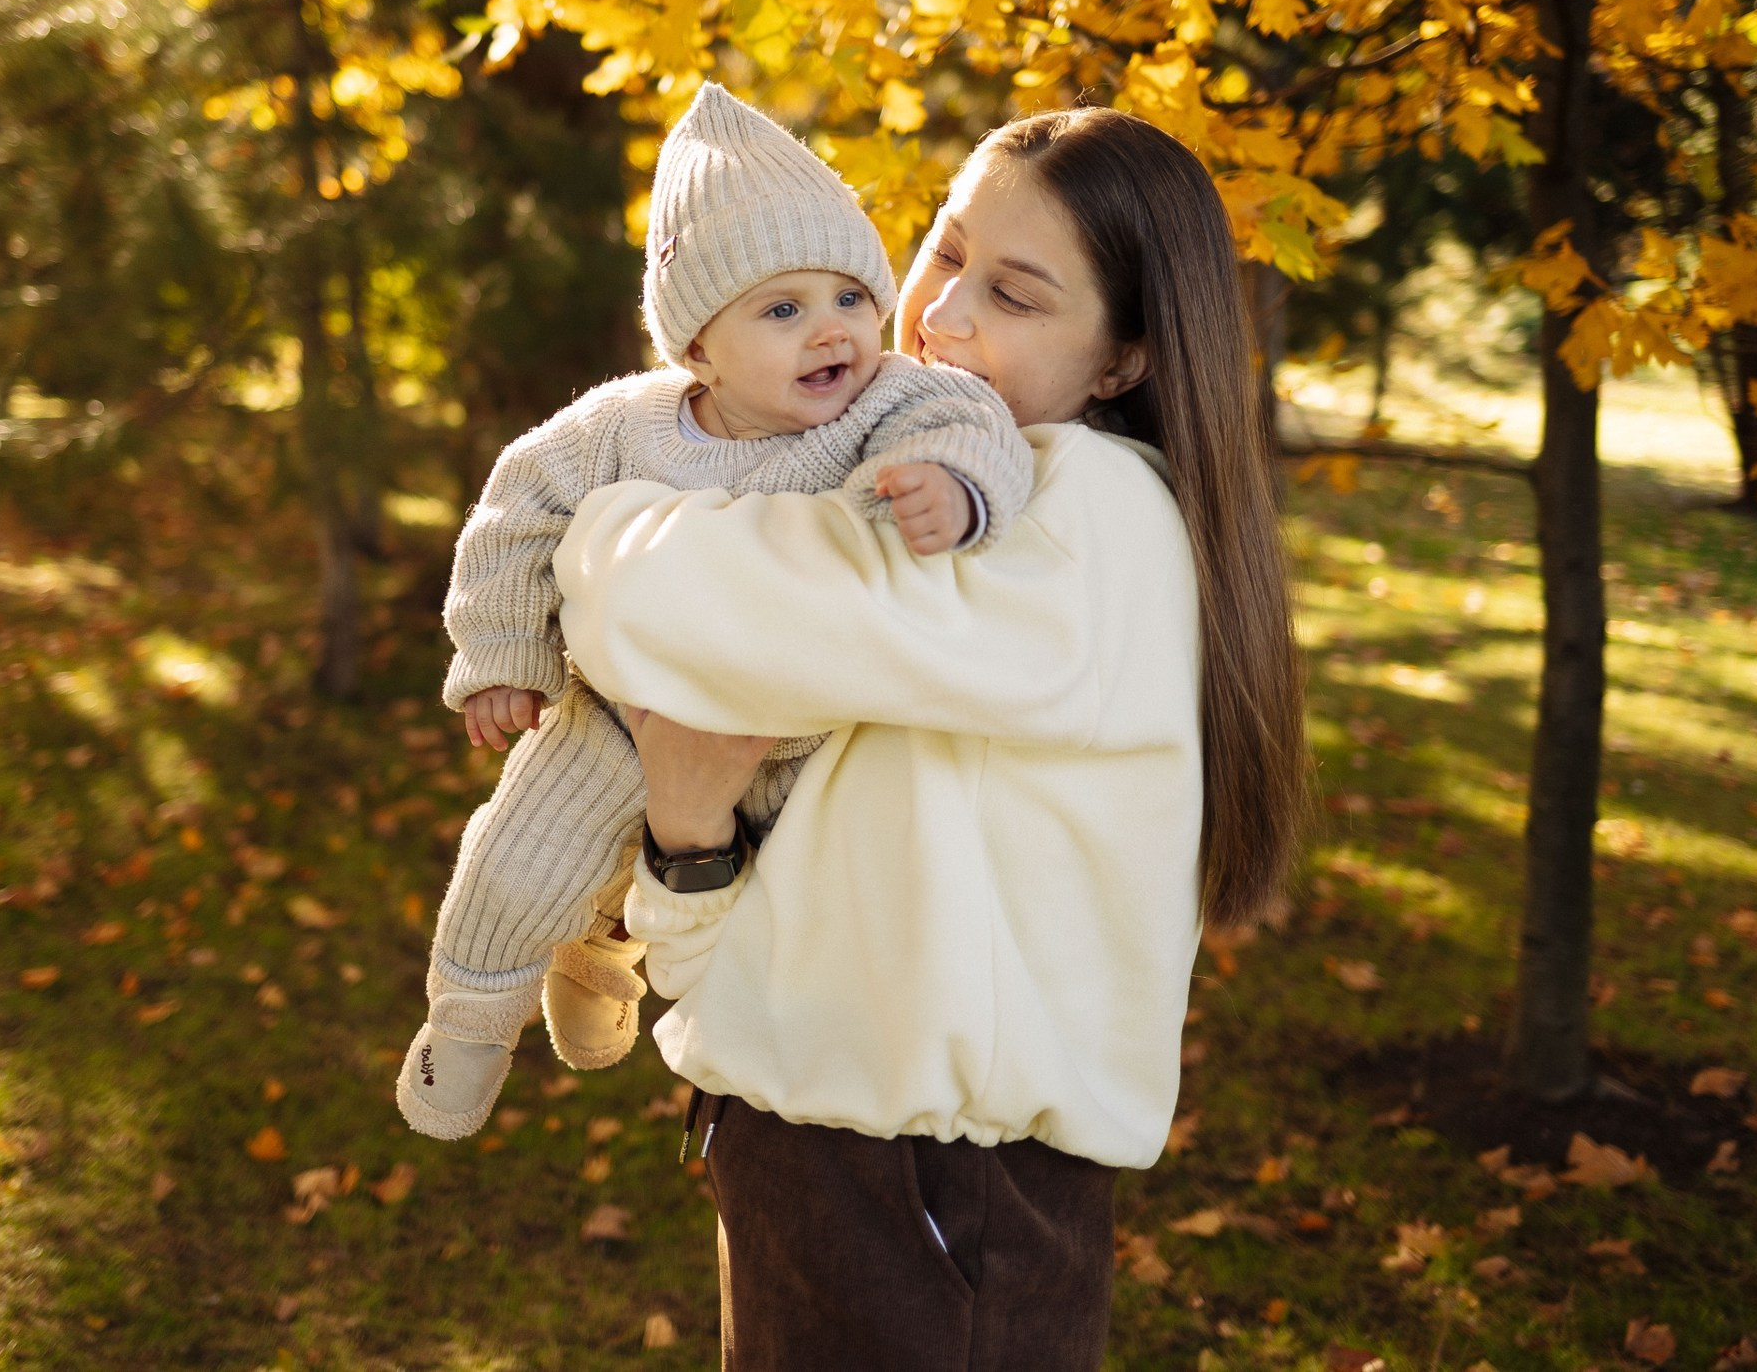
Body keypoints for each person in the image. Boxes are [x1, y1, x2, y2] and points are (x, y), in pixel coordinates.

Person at [550, 107, 1310, 1368]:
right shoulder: (930, 483)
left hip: (932, 1205)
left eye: (1014, 295)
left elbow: (653, 600)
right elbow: (770, 889)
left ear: (1123, 360)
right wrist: (687, 841)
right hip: (810, 1166)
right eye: (944, 253)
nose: (941, 318)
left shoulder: (1078, 516)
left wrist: (591, 520)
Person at [399, 83, 1034, 1141]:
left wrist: (953, 486)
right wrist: (504, 650)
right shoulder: (623, 426)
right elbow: (517, 507)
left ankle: (606, 940)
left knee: (764, 920)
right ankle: (467, 1027)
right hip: (618, 708)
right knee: (521, 854)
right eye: (781, 310)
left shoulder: (888, 398)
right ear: (696, 349)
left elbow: (965, 418)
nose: (829, 331)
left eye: (846, 295)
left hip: (805, 734)